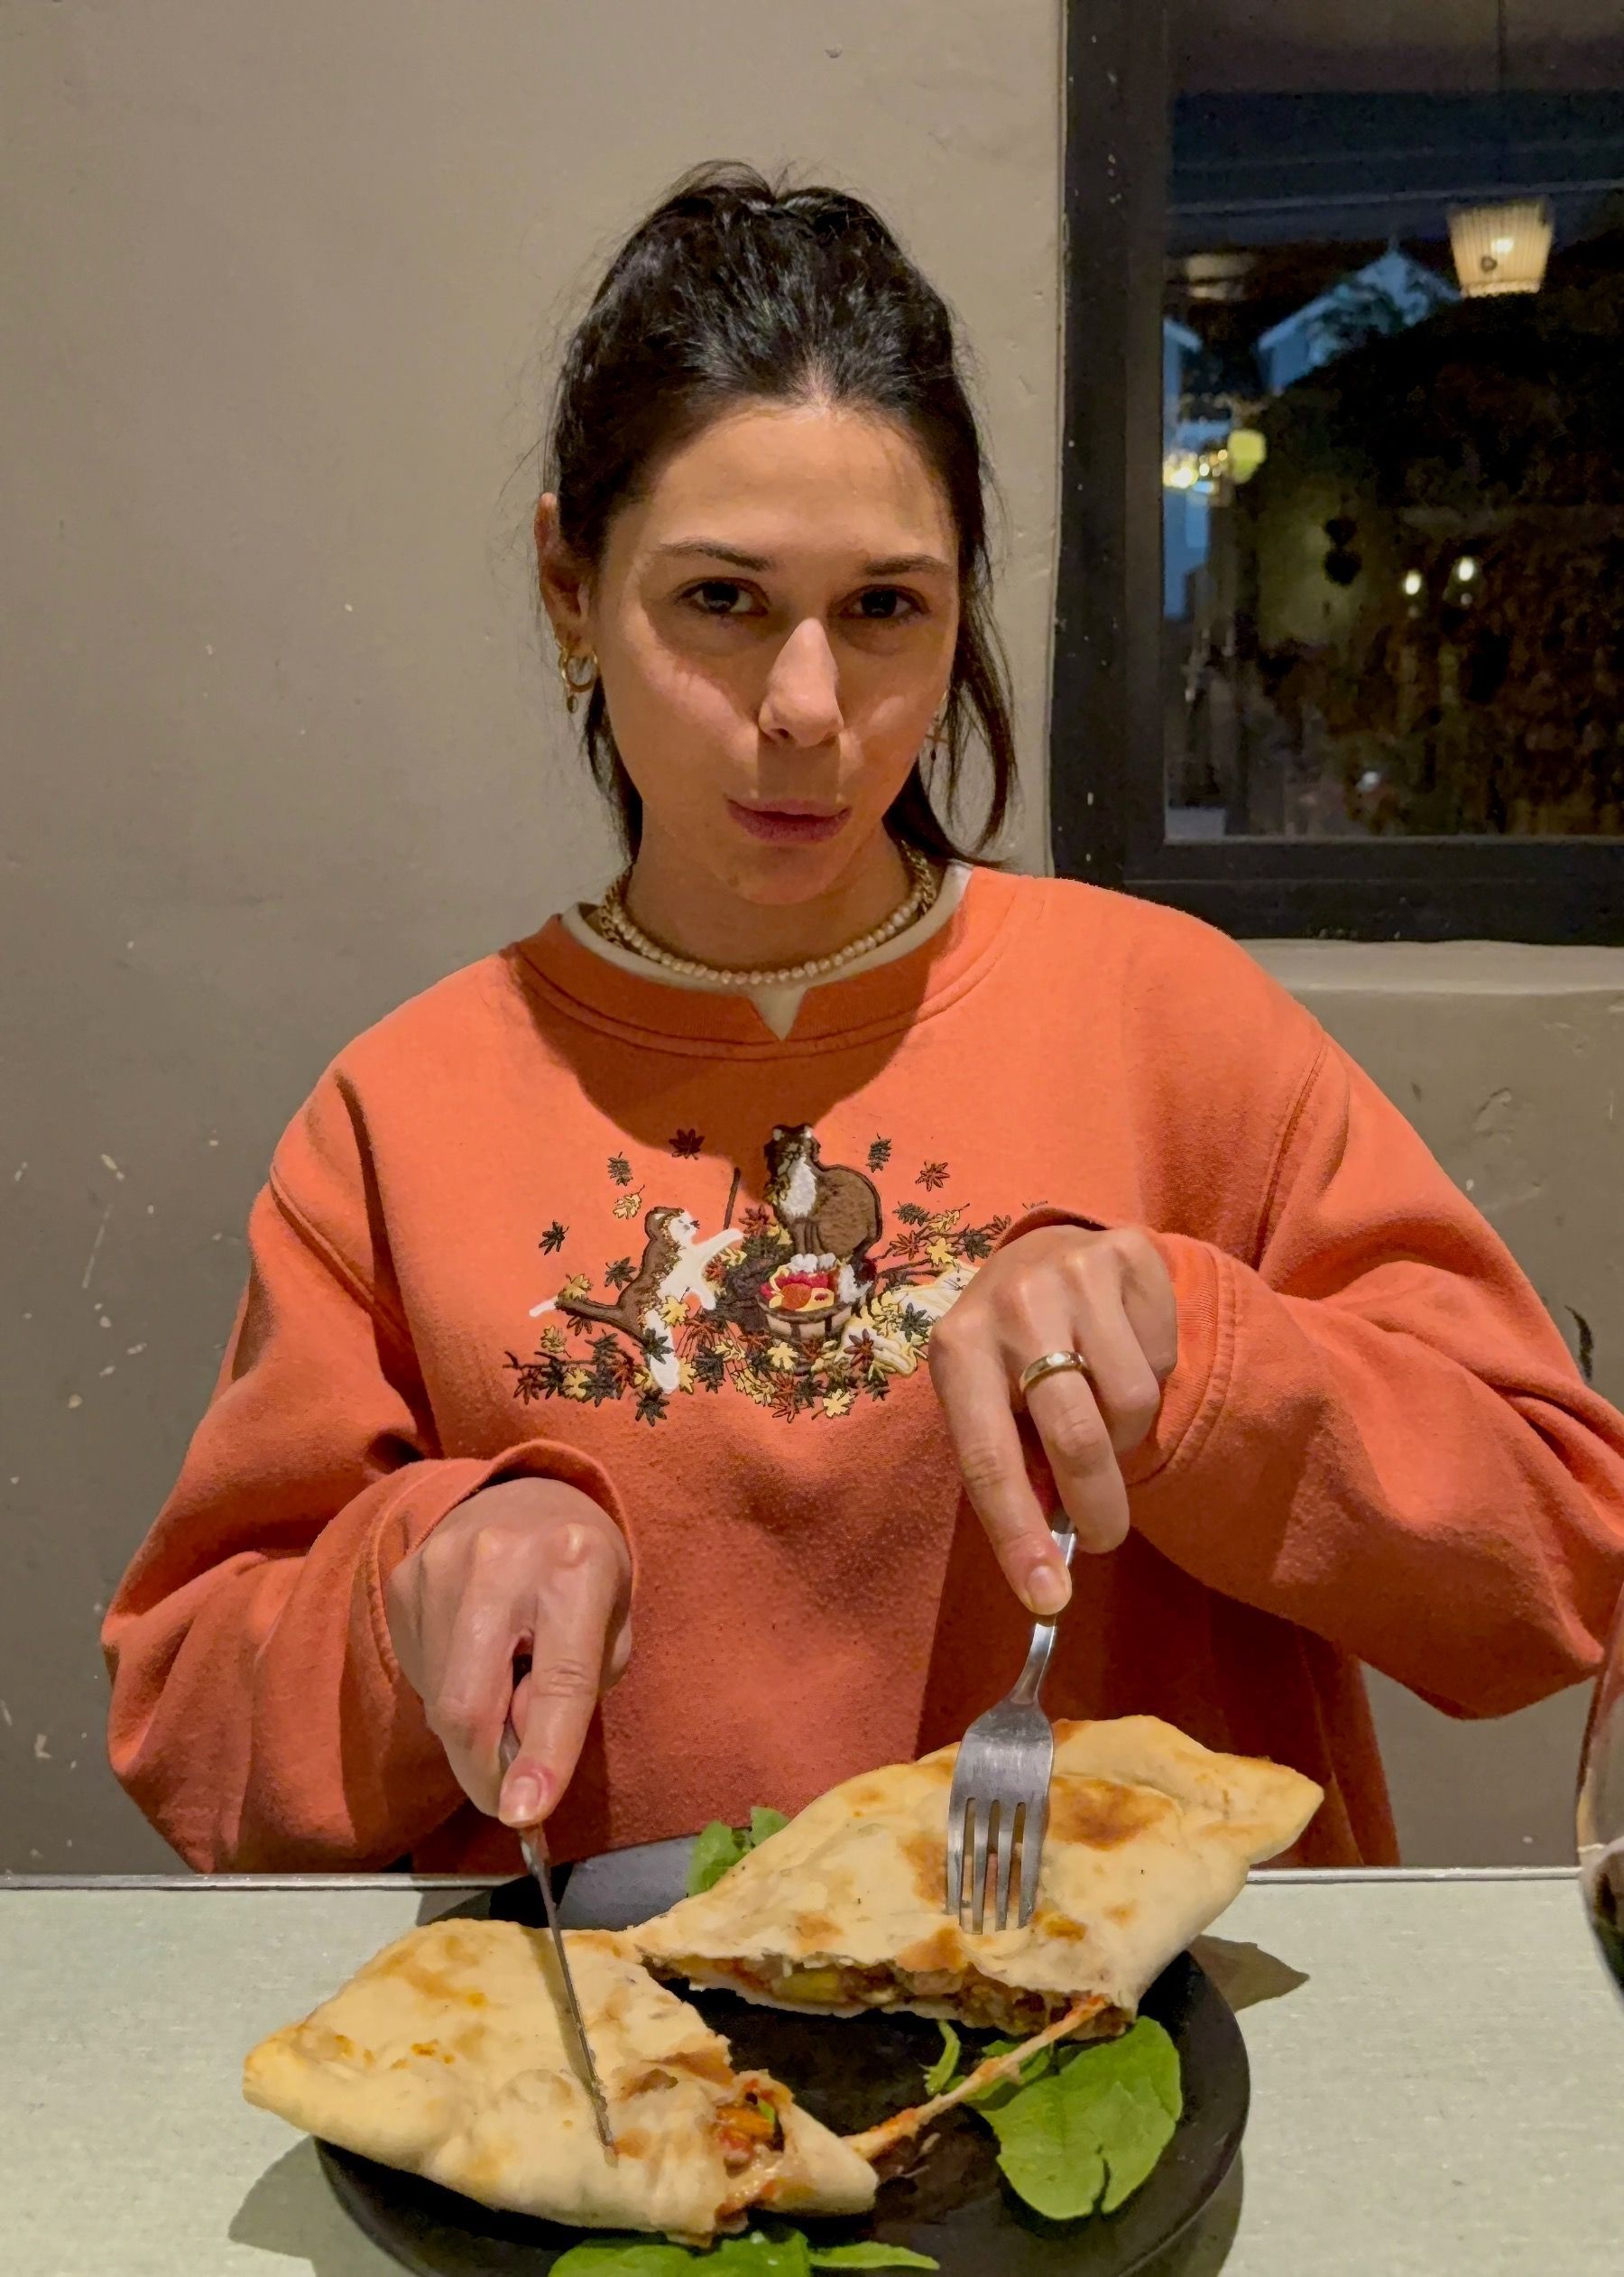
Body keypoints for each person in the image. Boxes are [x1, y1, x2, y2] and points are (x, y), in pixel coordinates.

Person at [104, 167, 1624, 1877]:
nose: (808, 710)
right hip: (618, 2094)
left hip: (1134, 2091)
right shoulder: (403, 1113)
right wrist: (427, 1565)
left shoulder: (1168, 1021)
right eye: (722, 603)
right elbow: (191, 1726)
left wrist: (1198, 1352)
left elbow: (1556, 1563)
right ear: (567, 590)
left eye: (885, 610)